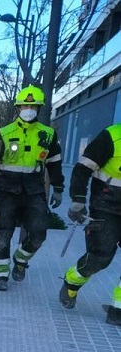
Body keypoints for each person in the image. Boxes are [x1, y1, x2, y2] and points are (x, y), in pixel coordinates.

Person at [0, 84, 63, 291]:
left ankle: (21, 259)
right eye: (25, 105)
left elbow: (54, 164)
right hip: (6, 190)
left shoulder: (48, 135)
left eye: (33, 106)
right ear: (18, 108)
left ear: (39, 109)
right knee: (3, 232)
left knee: (38, 232)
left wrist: (59, 188)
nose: (29, 109)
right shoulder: (4, 134)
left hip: (34, 190)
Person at [59, 123, 121, 325]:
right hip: (106, 204)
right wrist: (78, 199)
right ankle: (72, 282)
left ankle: (118, 310)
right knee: (101, 256)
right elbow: (82, 168)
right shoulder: (112, 136)